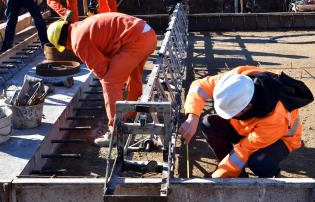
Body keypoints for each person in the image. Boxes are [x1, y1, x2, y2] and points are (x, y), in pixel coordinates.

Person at [179, 65, 313, 178]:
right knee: (209, 123)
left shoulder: (275, 116)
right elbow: (199, 86)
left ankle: (272, 177)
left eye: (231, 112)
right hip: (246, 127)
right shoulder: (236, 78)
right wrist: (193, 117)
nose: (226, 116)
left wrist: (218, 178)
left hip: (279, 139)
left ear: (247, 107)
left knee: (259, 162)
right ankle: (238, 175)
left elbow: (243, 150)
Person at [47, 12, 157, 146]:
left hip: (135, 41)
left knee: (110, 82)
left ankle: (116, 132)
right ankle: (130, 115)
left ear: (62, 42)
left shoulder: (78, 41)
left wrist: (113, 84)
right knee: (134, 77)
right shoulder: (81, 27)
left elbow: (102, 70)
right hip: (148, 34)